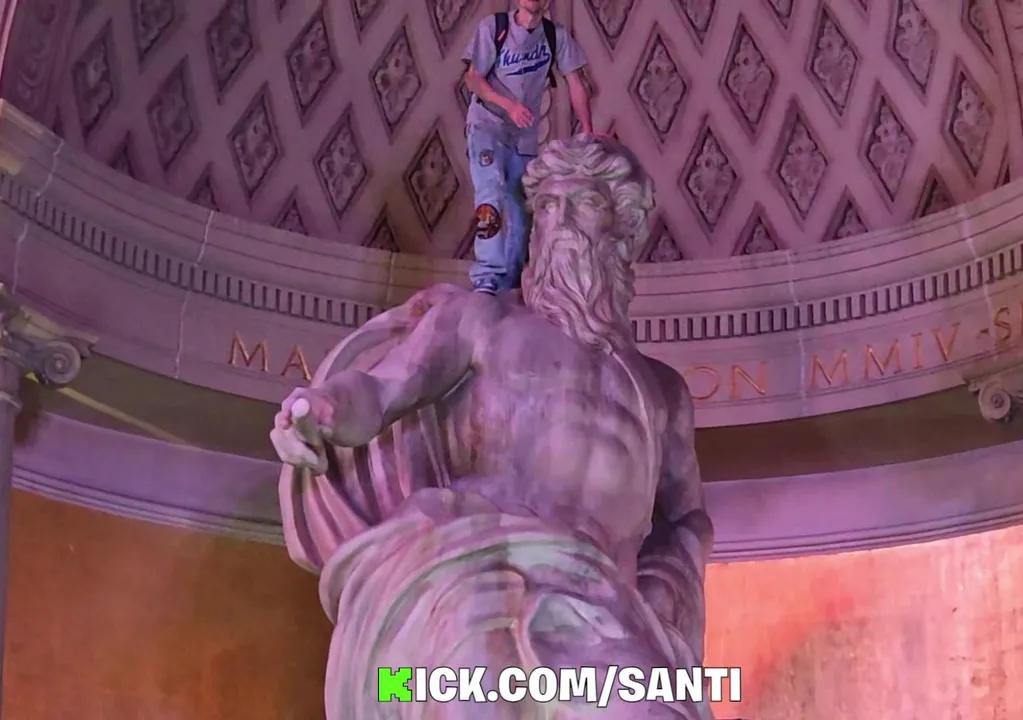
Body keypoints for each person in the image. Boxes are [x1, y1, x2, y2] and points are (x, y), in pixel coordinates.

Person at [271, 136, 714, 719]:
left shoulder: (661, 390)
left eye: (582, 204)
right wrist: (324, 408)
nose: (559, 223)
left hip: (603, 600)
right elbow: (380, 392)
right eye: (548, 206)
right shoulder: (482, 322)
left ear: (624, 229)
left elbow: (685, 517)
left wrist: (667, 587)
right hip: (476, 561)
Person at [461, 0, 593, 295]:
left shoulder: (554, 36)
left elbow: (575, 83)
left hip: (523, 137)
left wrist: (587, 131)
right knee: (490, 190)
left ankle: (510, 283)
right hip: (487, 126)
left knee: (524, 212)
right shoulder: (494, 28)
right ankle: (487, 276)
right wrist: (509, 105)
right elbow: (473, 79)